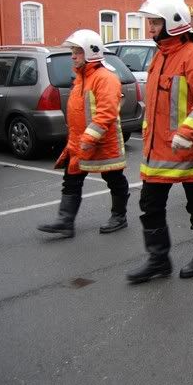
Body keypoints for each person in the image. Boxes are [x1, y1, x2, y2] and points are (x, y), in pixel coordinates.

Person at [127, 0, 193, 283]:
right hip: (160, 150)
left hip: (191, 149)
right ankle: (158, 259)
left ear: (172, 23)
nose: (151, 28)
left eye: (156, 22)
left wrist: (187, 131)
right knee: (150, 203)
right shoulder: (160, 55)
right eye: (151, 22)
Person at [37, 30, 129, 237]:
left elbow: (106, 113)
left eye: (77, 51)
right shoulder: (81, 77)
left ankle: (119, 216)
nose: (73, 56)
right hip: (79, 141)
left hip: (103, 142)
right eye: (73, 51)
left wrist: (89, 137)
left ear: (90, 52)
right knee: (71, 178)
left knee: (113, 177)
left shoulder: (105, 78)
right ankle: (65, 221)